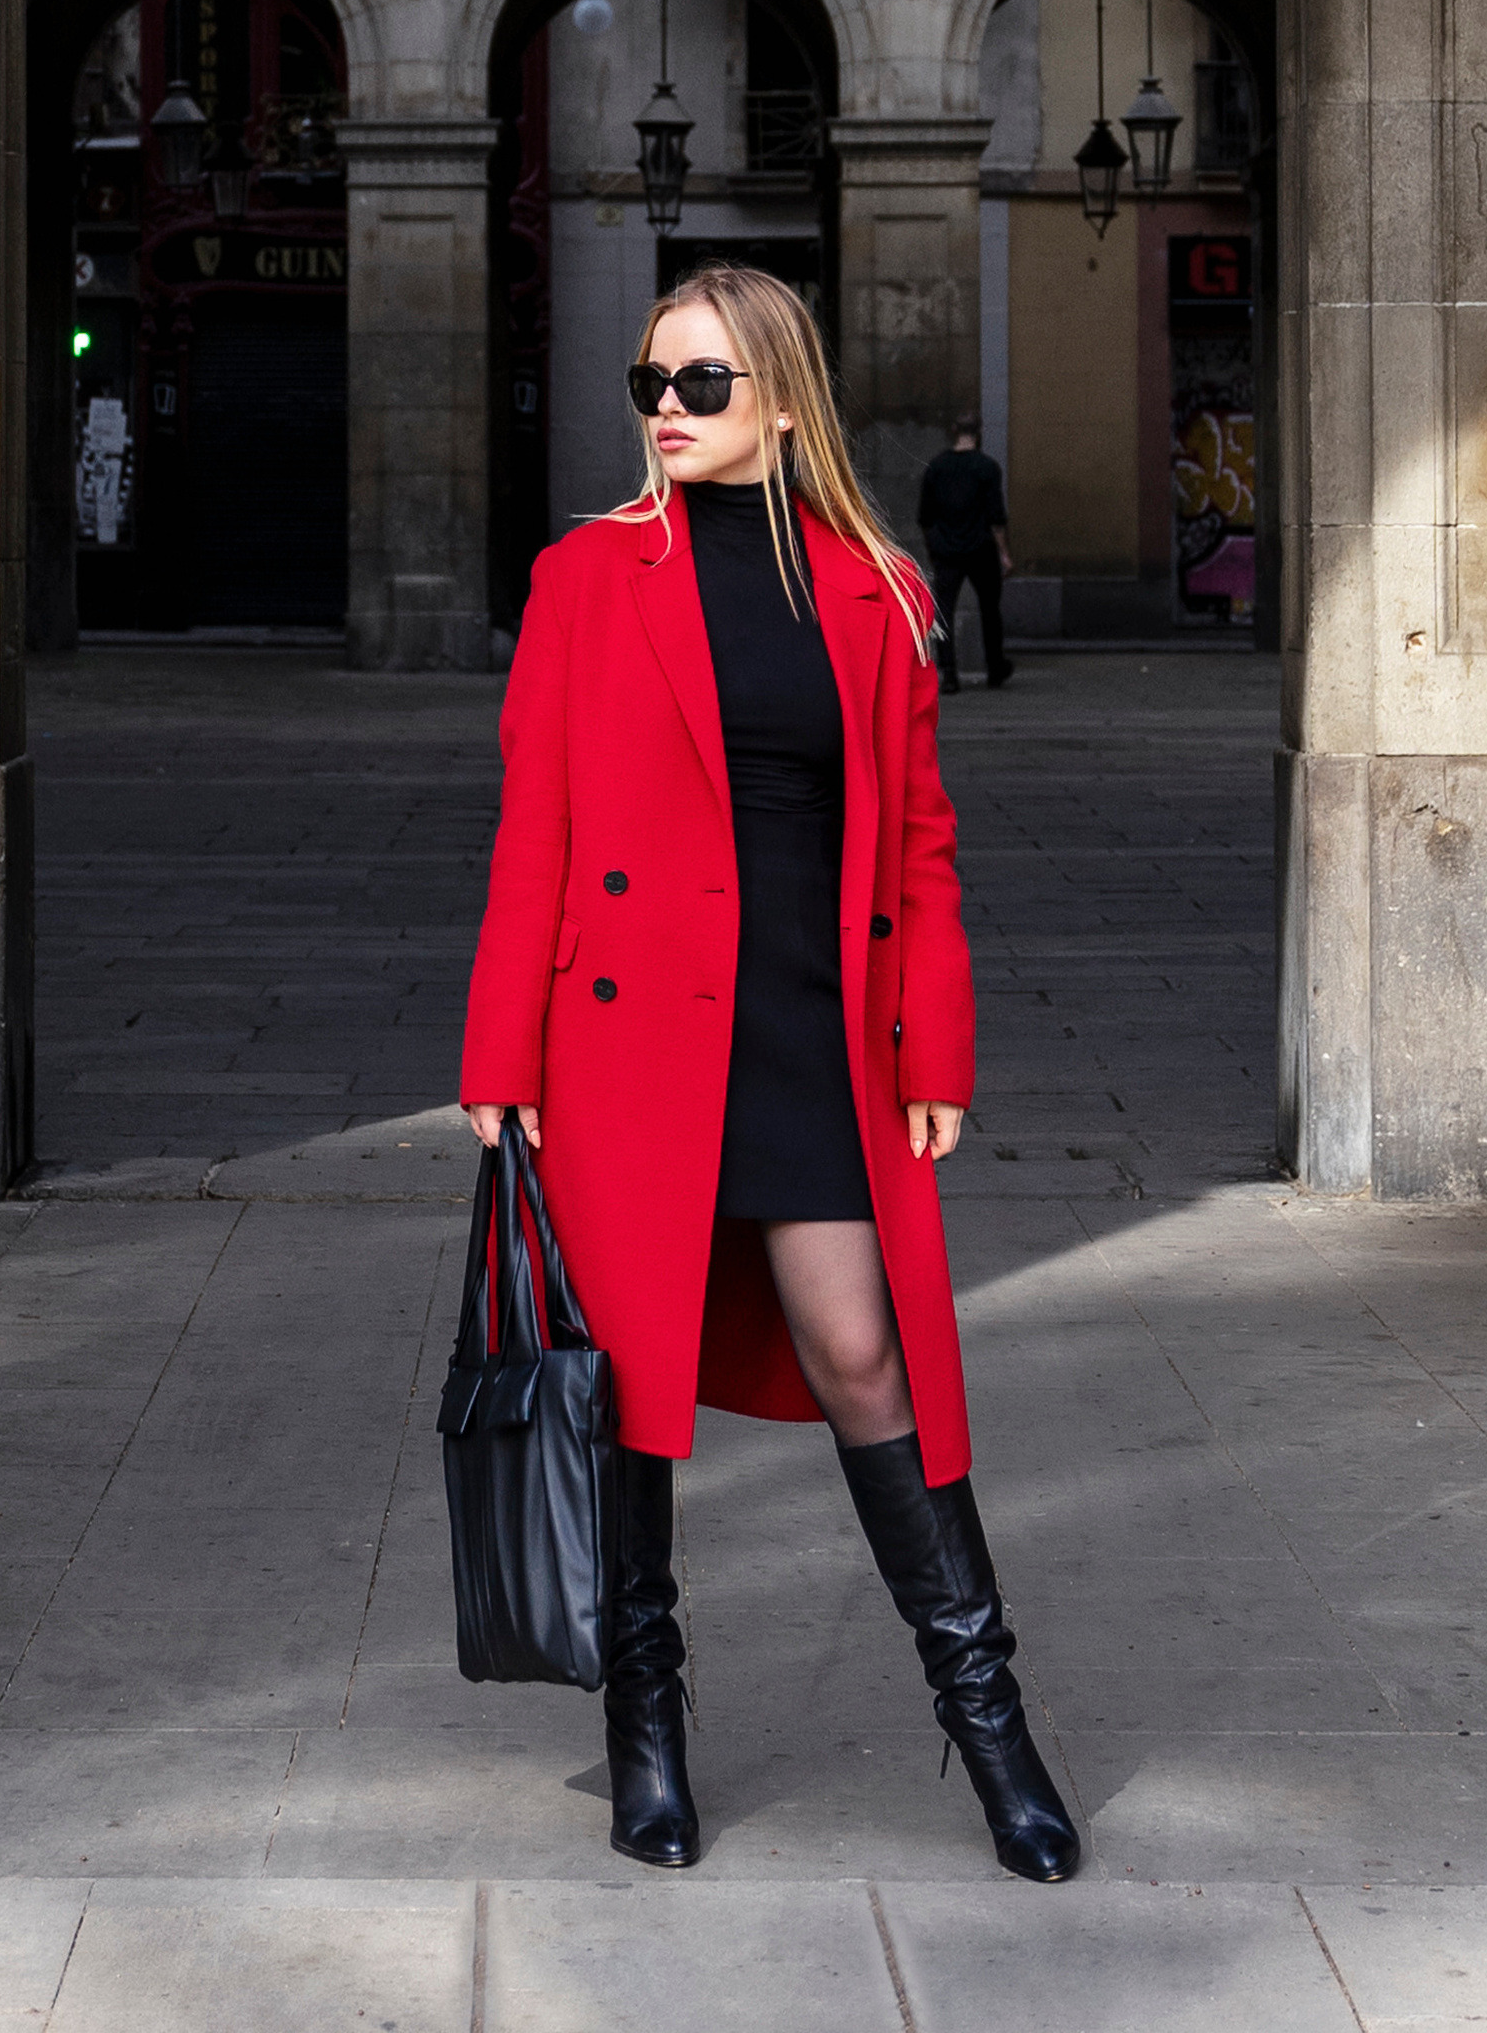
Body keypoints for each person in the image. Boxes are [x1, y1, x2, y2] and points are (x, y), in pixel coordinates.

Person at [460, 263, 1079, 1884]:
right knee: (630, 1393)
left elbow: (923, 843)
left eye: (703, 384)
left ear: (784, 404)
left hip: (813, 1030)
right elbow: (536, 827)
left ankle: (992, 1727)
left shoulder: (878, 590)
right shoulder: (587, 577)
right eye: (651, 383)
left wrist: (936, 1039)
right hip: (629, 1037)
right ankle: (646, 1735)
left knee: (866, 1355)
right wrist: (499, 1047)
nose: (667, 410)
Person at [918, 417, 1013, 692]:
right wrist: (1004, 553)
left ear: (954, 431)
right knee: (990, 610)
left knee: (944, 612)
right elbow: (996, 516)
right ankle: (995, 668)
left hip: (947, 551)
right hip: (981, 549)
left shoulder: (937, 467)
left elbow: (925, 516)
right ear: (979, 433)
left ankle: (949, 673)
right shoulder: (987, 467)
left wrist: (933, 547)